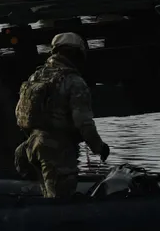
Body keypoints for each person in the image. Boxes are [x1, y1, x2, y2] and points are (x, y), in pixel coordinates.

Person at [14, 32, 109, 197]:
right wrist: (99, 147)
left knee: (46, 195)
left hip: (29, 148)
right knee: (60, 201)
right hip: (57, 151)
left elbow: (20, 114)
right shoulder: (74, 82)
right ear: (77, 55)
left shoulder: (35, 76)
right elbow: (84, 123)